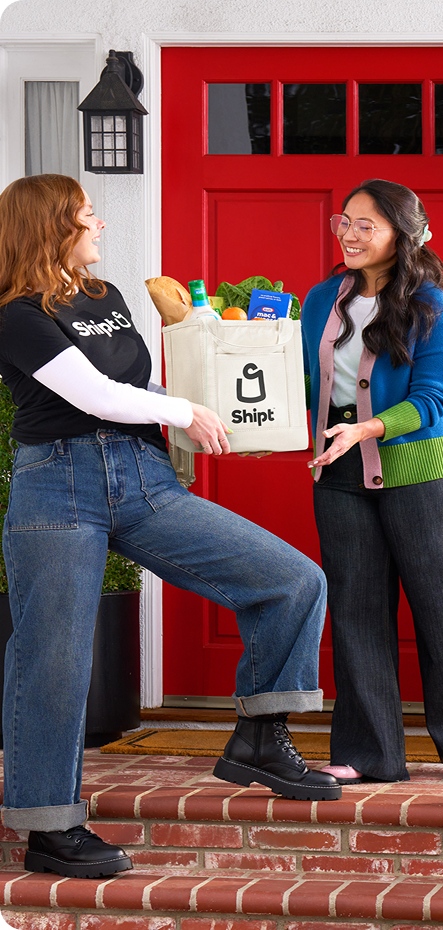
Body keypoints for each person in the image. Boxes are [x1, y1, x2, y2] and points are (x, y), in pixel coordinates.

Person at [0, 174, 340, 880]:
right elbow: (88, 392)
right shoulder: (16, 313)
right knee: (52, 657)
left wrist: (206, 403)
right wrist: (183, 412)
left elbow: (134, 386)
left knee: (291, 580)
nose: (100, 225)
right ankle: (49, 827)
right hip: (59, 485)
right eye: (88, 215)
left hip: (143, 478)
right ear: (52, 225)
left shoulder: (106, 296)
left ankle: (257, 735)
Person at [301, 178, 443, 784]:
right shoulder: (320, 300)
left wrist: (366, 428)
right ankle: (369, 753)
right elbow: (301, 381)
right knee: (356, 606)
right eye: (343, 222)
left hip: (422, 472)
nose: (348, 234)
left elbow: (433, 400)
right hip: (338, 470)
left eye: (365, 225)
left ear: (402, 234)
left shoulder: (435, 309)